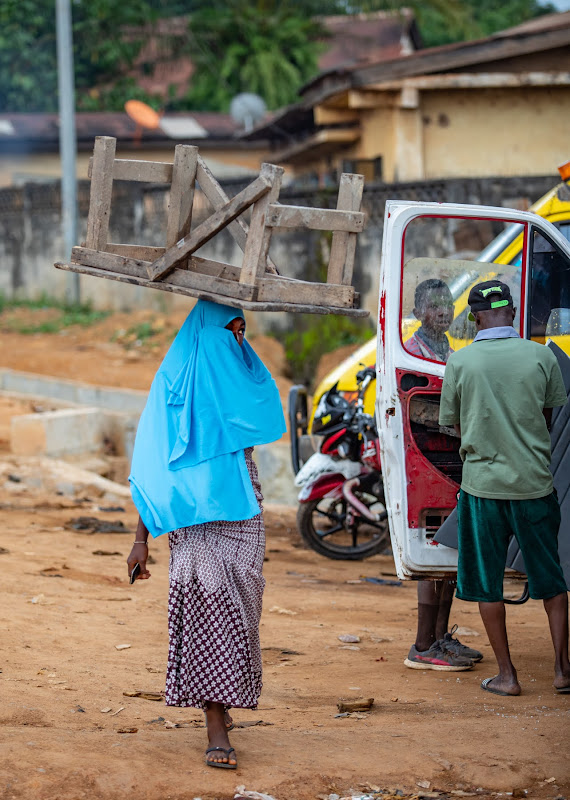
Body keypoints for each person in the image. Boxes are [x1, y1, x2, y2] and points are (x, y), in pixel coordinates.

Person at [126, 300, 285, 768]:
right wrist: (141, 539)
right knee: (206, 606)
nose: (238, 341)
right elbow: (152, 467)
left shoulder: (235, 374)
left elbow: (263, 408)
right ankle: (215, 723)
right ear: (206, 333)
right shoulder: (173, 386)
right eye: (230, 332)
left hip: (242, 508)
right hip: (194, 519)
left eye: (243, 331)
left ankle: (225, 696)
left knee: (242, 608)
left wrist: (238, 348)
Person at [439, 280, 570, 696]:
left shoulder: (461, 363)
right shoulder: (540, 356)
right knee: (551, 580)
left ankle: (507, 676)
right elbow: (548, 417)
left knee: (487, 582)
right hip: (534, 484)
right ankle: (563, 670)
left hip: (483, 489)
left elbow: (454, 425)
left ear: (476, 316)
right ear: (512, 312)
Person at [404, 279, 483, 670]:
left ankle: (439, 638)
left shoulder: (447, 352)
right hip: (428, 460)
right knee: (434, 548)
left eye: (447, 305)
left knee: (448, 548)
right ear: (418, 312)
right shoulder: (413, 353)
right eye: (433, 306)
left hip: (450, 459)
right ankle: (422, 643)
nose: (442, 312)